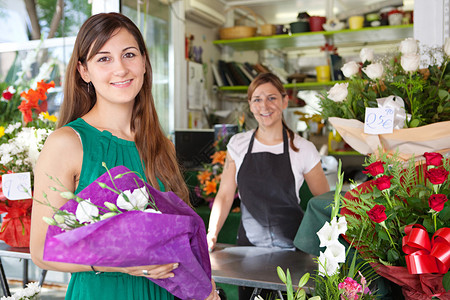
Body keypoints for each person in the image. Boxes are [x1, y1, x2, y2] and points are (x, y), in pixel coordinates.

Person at [30, 13, 219, 300]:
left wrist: (205, 288)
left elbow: (180, 241)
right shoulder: (67, 143)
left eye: (129, 54)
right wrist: (123, 263)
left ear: (143, 61)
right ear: (84, 71)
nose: (120, 69)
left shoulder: (162, 145)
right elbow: (42, 250)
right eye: (103, 58)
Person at [206, 72, 330, 298]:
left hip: (293, 251)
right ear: (250, 106)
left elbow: (325, 202)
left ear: (285, 101)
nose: (265, 105)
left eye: (272, 98)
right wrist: (211, 234)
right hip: (248, 250)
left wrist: (329, 248)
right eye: (257, 99)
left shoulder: (303, 148)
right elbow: (224, 196)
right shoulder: (239, 144)